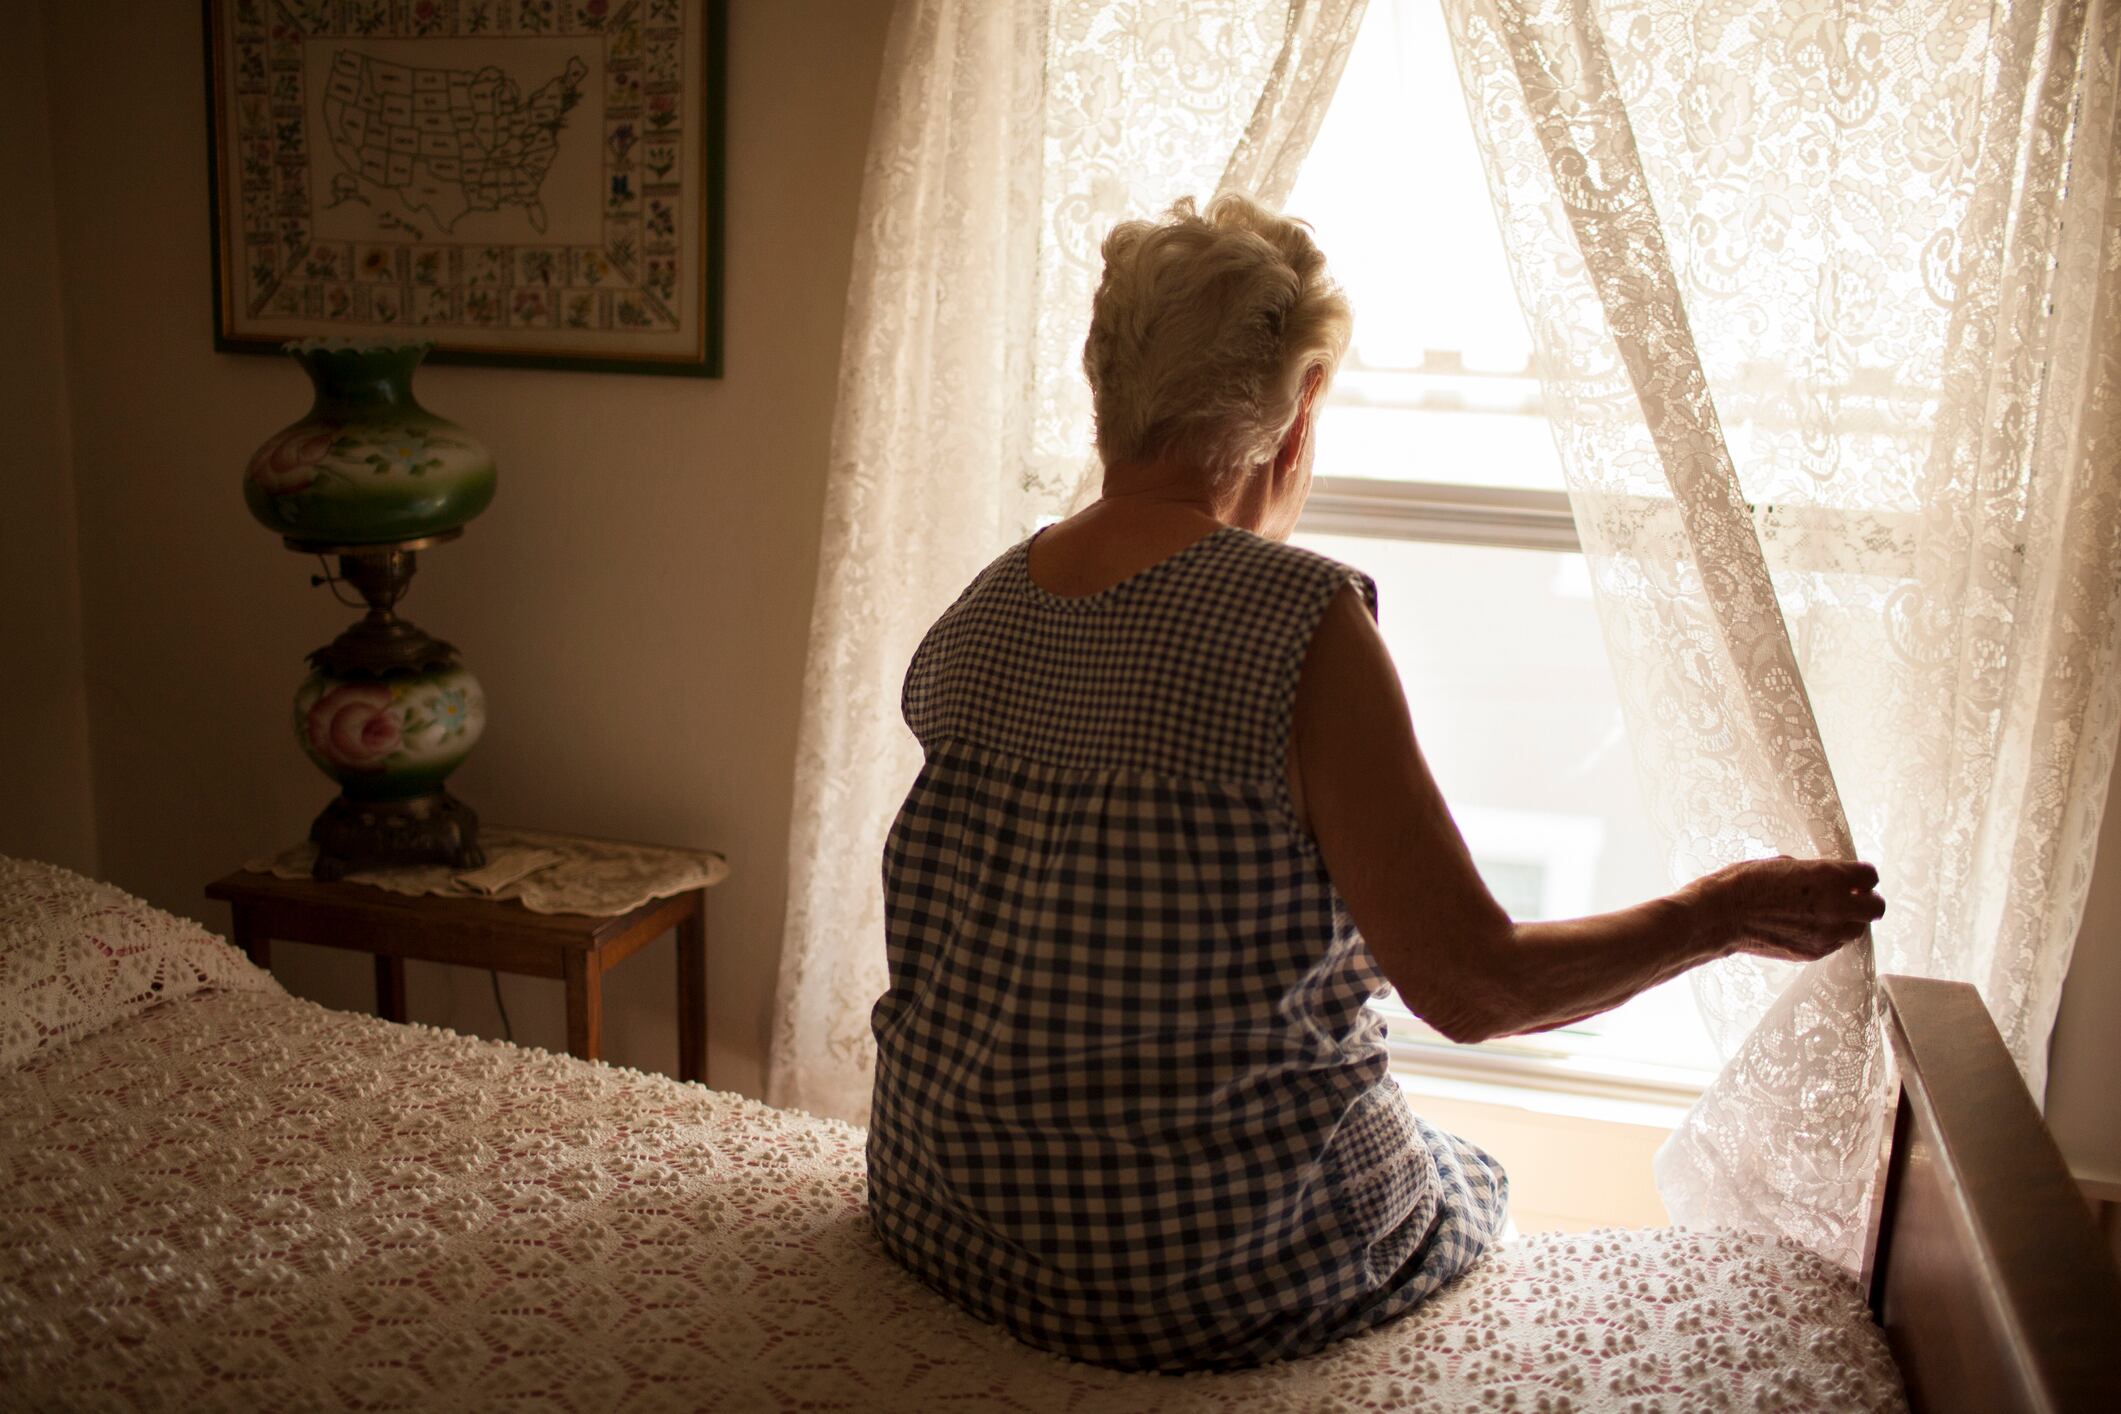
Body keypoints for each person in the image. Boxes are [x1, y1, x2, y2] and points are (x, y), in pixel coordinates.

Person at [864, 193, 1885, 1373]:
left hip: (934, 1203)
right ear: (1296, 416)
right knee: (1469, 1179)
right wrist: (1718, 913)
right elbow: (1473, 986)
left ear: (1109, 394)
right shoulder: (1298, 618)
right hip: (1176, 1272)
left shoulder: (983, 610)